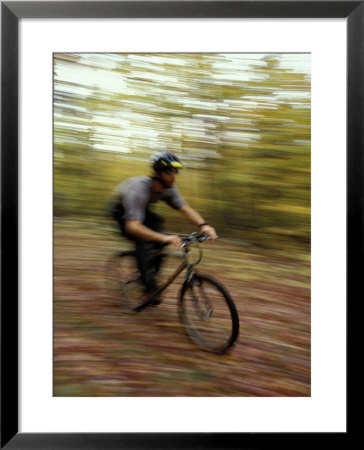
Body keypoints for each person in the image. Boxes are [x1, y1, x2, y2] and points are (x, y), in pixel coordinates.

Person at [109, 151, 217, 304]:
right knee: (142, 239)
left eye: (175, 172)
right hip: (121, 211)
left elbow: (186, 209)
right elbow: (133, 226)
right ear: (157, 173)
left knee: (160, 231)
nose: (174, 176)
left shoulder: (170, 190)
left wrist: (204, 225)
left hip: (142, 210)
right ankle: (148, 286)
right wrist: (164, 237)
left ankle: (151, 273)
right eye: (169, 172)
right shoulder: (138, 189)